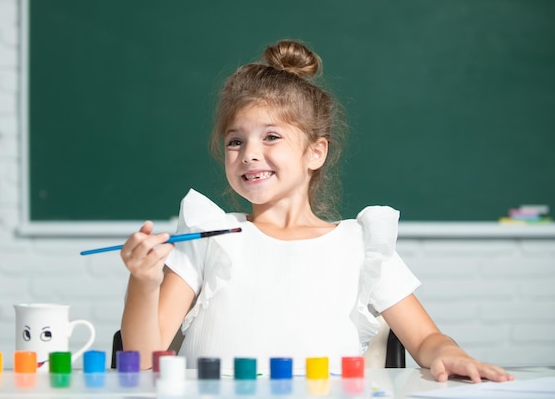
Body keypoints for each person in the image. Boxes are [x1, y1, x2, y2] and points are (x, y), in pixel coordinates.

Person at [119, 39, 513, 383]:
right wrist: (144, 281)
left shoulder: (360, 245)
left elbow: (426, 340)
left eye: (271, 136)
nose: (249, 153)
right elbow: (142, 361)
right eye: (235, 141)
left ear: (315, 152)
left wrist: (450, 352)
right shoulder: (208, 236)